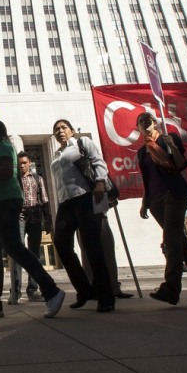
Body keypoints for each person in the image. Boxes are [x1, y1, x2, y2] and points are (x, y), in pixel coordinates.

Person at [0, 119, 65, 318]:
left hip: (4, 202)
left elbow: (5, 172)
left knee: (14, 248)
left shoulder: (3, 146)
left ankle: (51, 291)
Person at [136, 112, 187, 305]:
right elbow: (147, 178)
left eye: (147, 119)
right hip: (155, 201)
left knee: (171, 240)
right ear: (138, 129)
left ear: (155, 122)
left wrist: (172, 147)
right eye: (140, 121)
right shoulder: (142, 151)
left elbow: (180, 165)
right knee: (182, 246)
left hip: (174, 193)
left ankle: (171, 288)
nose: (144, 122)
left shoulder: (169, 138)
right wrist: (144, 201)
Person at [50, 119, 114, 312]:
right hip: (66, 203)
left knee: (92, 246)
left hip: (86, 197)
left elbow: (98, 161)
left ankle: (106, 297)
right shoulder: (56, 154)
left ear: (71, 130)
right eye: (56, 129)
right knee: (61, 243)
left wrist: (100, 183)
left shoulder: (82, 143)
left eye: (63, 127)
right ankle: (85, 291)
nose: (60, 131)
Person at [6, 151, 49, 305]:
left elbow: (44, 200)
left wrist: (48, 220)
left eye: (25, 162)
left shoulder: (38, 179)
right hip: (19, 219)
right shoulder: (14, 180)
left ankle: (33, 289)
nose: (22, 165)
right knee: (18, 254)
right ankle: (15, 292)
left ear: (30, 163)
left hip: (36, 219)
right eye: (20, 163)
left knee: (35, 254)